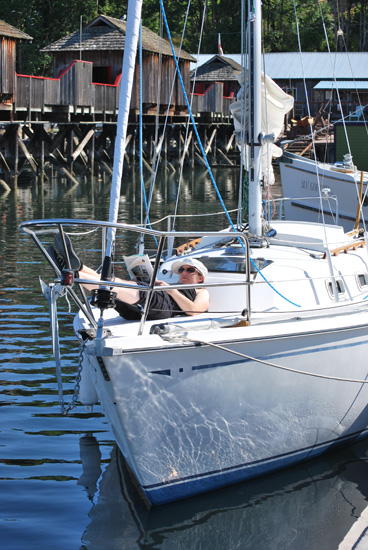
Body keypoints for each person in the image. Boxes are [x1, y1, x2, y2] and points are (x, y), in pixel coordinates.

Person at [47, 234, 209, 321]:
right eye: (181, 270)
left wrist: (172, 291)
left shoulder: (202, 291)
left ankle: (71, 272)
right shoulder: (173, 283)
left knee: (117, 285)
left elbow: (193, 311)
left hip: (162, 307)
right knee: (113, 288)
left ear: (200, 278)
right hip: (137, 310)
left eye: (189, 270)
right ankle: (77, 269)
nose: (184, 273)